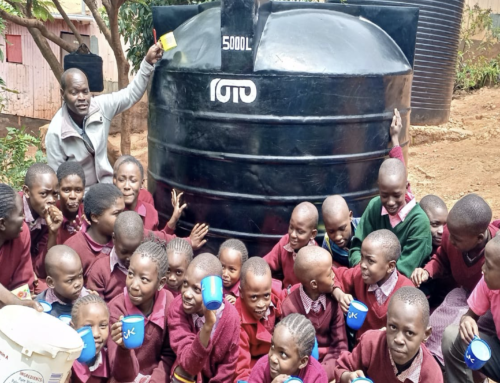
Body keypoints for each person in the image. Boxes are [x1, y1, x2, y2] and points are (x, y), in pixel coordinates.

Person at [46, 43, 164, 188]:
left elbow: (130, 95)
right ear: (62, 93)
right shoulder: (56, 132)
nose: (82, 97)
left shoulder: (100, 107)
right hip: (79, 197)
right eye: (74, 92)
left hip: (107, 188)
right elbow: (56, 180)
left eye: (85, 91)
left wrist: (146, 63)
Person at [410, 194, 499, 365]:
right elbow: (441, 257)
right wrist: (428, 271)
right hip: (464, 293)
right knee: (438, 320)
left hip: (487, 305)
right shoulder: (454, 234)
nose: (449, 239)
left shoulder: (496, 254)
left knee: (460, 329)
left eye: (456, 239)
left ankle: (441, 363)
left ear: (479, 239)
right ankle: (428, 357)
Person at [322, 109, 407, 268]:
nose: (338, 236)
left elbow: (399, 181)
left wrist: (395, 139)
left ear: (350, 217)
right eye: (332, 231)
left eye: (342, 228)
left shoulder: (366, 226)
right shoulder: (327, 243)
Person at [334, 287, 443, 383]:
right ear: (386, 321)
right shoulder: (371, 344)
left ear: (425, 334)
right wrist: (348, 377)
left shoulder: (431, 373)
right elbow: (342, 368)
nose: (398, 339)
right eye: (393, 327)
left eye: (409, 333)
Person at [348, 156, 432, 278]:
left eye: (396, 195)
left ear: (407, 186)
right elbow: (356, 247)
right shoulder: (374, 207)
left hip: (401, 289)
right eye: (384, 195)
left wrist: (370, 273)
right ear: (379, 188)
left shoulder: (418, 222)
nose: (391, 202)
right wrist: (360, 269)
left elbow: (404, 270)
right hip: (368, 278)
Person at [108, 240, 175, 382]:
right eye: (131, 274)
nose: (134, 285)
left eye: (144, 279)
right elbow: (120, 374)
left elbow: (169, 355)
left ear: (161, 283)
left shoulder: (168, 303)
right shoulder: (117, 309)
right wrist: (123, 349)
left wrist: (154, 380)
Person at [167, 253, 240, 383]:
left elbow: (228, 366)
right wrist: (207, 327)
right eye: (185, 284)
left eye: (196, 289)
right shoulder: (177, 309)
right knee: (181, 374)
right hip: (190, 372)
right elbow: (189, 365)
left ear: (214, 291)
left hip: (215, 379)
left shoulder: (231, 318)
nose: (187, 294)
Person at [282, 246, 347, 380]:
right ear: (314, 284)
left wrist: (321, 373)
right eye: (329, 274)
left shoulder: (334, 303)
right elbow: (290, 352)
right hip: (302, 367)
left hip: (330, 363)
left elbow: (340, 346)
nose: (334, 276)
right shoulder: (290, 307)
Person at [333, 229, 413, 339]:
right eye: (362, 257)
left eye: (370, 261)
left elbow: (413, 331)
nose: (362, 265)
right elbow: (331, 276)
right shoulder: (358, 275)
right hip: (361, 349)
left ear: (390, 266)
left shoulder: (407, 292)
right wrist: (339, 294)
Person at [442, 235, 500, 383]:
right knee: (452, 336)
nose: (483, 269)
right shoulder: (489, 283)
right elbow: (470, 315)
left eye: (489, 265)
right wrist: (467, 320)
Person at [235, 257, 283, 382]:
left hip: (277, 357)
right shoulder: (238, 323)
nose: (261, 304)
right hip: (254, 366)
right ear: (241, 292)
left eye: (266, 295)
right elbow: (241, 370)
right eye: (254, 297)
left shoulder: (276, 298)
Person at [248, 313, 328, 383]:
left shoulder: (317, 376)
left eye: (282, 354)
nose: (272, 358)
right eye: (272, 346)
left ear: (302, 361)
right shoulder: (262, 368)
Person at [113, 155, 185, 231]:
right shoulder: (110, 212)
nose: (127, 186)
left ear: (142, 183)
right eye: (121, 180)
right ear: (115, 182)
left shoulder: (150, 212)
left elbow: (158, 239)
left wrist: (174, 218)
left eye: (133, 180)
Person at [65, 184, 124, 275]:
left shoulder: (125, 237)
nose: (123, 218)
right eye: (116, 214)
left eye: (123, 212)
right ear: (95, 217)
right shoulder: (74, 249)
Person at [86, 211, 144, 302]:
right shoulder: (101, 270)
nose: (129, 258)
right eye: (124, 252)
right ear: (114, 239)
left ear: (142, 241)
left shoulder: (148, 266)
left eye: (134, 252)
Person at [263, 202, 318, 289]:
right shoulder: (285, 241)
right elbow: (265, 263)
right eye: (291, 227)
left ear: (312, 234)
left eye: (300, 231)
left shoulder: (316, 258)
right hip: (284, 296)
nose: (292, 234)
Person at [22, 163, 62, 281]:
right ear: (27, 191)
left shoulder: (48, 218)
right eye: (44, 194)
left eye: (55, 194)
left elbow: (41, 270)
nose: (51, 200)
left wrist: (53, 232)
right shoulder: (14, 212)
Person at [417, 194, 452, 307]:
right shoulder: (414, 245)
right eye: (435, 224)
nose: (441, 231)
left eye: (445, 224)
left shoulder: (451, 244)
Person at [35, 245, 88, 317]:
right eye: (70, 280)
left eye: (80, 276)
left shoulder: (88, 301)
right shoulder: (41, 306)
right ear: (51, 282)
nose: (78, 284)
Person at [0, 183, 35, 293]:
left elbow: (23, 283)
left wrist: (21, 305)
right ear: (2, 223)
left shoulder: (22, 232)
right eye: (20, 214)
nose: (24, 218)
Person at [70, 295, 110, 383]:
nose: (96, 334)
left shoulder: (110, 360)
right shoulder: (65, 363)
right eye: (88, 326)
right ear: (73, 328)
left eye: (103, 326)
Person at [56, 161, 86, 245]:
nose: (73, 196)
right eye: (66, 190)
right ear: (58, 189)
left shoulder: (88, 217)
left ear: (84, 190)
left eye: (78, 190)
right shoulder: (50, 214)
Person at [217, 238, 249, 304]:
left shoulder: (246, 291)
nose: (225, 274)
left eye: (231, 269)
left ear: (242, 269)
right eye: (222, 266)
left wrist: (238, 304)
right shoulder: (212, 283)